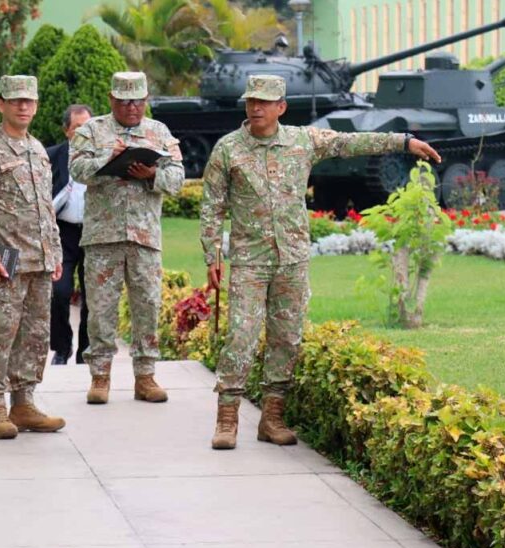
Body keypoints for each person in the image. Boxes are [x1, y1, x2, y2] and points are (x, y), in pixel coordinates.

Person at [200, 75, 441, 450]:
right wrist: (212, 256)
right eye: (251, 102)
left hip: (292, 260)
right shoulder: (228, 149)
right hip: (249, 261)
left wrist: (405, 142)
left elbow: (351, 142)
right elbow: (213, 205)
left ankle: (272, 417)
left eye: (265, 102)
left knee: (287, 338)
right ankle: (227, 418)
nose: (257, 108)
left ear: (282, 107)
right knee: (242, 336)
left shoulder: (303, 141)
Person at [69, 72, 184, 405]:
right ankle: (100, 376)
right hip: (103, 236)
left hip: (144, 237)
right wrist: (110, 158)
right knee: (101, 309)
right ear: (111, 99)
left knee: (147, 305)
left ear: (146, 100)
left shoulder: (158, 132)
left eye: (138, 101)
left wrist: (153, 175)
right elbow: (77, 170)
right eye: (124, 101)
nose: (132, 107)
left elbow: (178, 177)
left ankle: (145, 376)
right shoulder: (92, 130)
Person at [0, 76, 66, 439]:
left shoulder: (37, 150)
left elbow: (46, 210)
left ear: (36, 106)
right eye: (15, 100)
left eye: (29, 101)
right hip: (4, 259)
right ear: (1, 103)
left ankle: (24, 403)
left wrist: (54, 253)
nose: (23, 106)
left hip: (38, 261)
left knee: (35, 336)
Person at [47, 104, 93, 365]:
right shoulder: (52, 156)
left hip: (93, 231)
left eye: (88, 126)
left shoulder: (103, 156)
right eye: (78, 127)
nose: (84, 132)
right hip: (62, 232)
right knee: (59, 291)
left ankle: (85, 352)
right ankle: (62, 348)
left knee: (92, 296)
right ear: (67, 131)